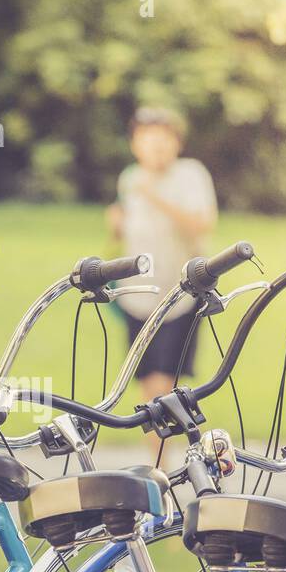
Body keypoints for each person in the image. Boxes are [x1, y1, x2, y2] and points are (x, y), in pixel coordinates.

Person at [107, 107, 218, 459]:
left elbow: (201, 225)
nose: (155, 145)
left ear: (177, 143)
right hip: (137, 294)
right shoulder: (129, 177)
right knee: (146, 382)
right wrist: (116, 223)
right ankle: (158, 461)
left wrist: (155, 197)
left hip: (180, 294)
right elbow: (129, 231)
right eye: (146, 137)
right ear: (135, 144)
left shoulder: (191, 174)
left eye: (163, 138)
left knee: (166, 380)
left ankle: (171, 461)